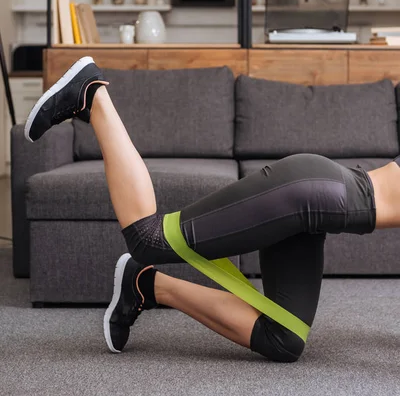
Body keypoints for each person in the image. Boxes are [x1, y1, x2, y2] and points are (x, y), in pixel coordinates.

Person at [24, 57, 400, 363]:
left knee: (284, 340)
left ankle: (147, 286)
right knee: (147, 238)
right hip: (311, 193)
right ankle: (92, 97)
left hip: (319, 209)